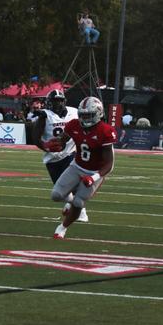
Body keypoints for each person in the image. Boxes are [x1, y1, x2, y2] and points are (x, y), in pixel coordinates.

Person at [44, 96, 114, 238]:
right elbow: (63, 140)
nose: (85, 119)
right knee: (56, 195)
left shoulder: (105, 131)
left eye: (88, 115)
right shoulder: (74, 125)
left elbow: (109, 165)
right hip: (77, 165)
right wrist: (57, 144)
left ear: (98, 114)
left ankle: (62, 227)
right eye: (82, 115)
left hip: (95, 171)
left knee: (79, 202)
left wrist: (94, 177)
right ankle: (69, 203)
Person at [34, 89, 89, 223]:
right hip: (52, 158)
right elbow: (36, 138)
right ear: (49, 102)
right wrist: (45, 146)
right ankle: (71, 204)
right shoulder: (44, 116)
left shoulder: (74, 112)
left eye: (59, 101)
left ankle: (82, 212)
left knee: (75, 186)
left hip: (70, 152)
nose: (57, 104)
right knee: (61, 191)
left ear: (64, 101)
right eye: (54, 101)